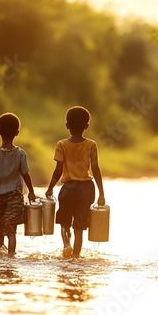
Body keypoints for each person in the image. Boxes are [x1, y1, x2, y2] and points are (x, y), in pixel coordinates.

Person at [46, 106, 105, 258]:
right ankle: (76, 256)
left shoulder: (61, 145)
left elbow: (58, 170)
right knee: (79, 226)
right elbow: (96, 169)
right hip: (86, 189)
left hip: (68, 188)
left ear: (67, 125)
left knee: (64, 222)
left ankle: (66, 245)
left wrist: (50, 188)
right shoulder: (91, 145)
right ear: (87, 126)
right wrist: (101, 194)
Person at [0, 112, 36, 256]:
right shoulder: (21, 154)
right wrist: (32, 192)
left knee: (0, 227)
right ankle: (11, 257)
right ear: (17, 132)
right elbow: (25, 174)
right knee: (10, 228)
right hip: (15, 196)